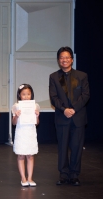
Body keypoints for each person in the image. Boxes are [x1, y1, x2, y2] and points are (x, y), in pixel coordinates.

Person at [49, 46, 90, 186]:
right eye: (61, 58)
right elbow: (53, 97)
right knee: (62, 147)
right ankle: (63, 174)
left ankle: (74, 175)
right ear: (58, 60)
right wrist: (64, 109)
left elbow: (86, 95)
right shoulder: (54, 77)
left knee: (77, 147)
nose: (64, 60)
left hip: (78, 117)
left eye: (67, 57)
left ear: (72, 59)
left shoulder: (82, 76)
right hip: (62, 117)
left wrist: (73, 109)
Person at [12, 84, 40, 187]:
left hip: (31, 132)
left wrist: (37, 116)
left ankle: (30, 178)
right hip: (21, 132)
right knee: (21, 155)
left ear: (31, 94)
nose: (26, 96)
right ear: (19, 95)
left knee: (30, 155)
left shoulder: (35, 106)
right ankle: (23, 178)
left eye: (28, 94)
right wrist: (16, 116)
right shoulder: (16, 106)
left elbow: (37, 123)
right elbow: (14, 123)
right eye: (23, 94)